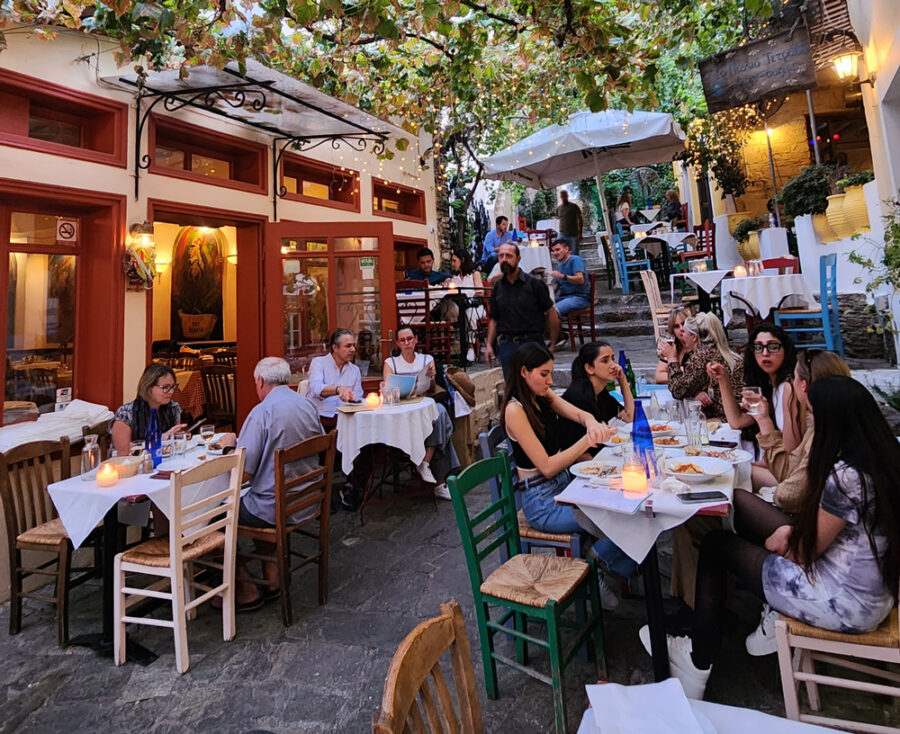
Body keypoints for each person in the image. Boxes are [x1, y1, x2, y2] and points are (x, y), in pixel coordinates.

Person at [641, 377, 900, 699]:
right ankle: (725, 613)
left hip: (842, 600)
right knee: (741, 504)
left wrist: (781, 542)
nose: (813, 425)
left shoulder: (846, 477)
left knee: (716, 546)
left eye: (814, 416)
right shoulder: (880, 458)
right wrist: (787, 531)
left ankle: (698, 657)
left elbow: (805, 552)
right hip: (870, 585)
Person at [736, 349, 851, 655]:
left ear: (803, 386)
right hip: (819, 531)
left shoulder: (826, 428)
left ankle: (774, 605)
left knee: (733, 511)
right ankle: (765, 601)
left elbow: (790, 492)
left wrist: (773, 492)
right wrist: (763, 419)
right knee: (737, 502)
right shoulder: (821, 419)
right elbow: (789, 469)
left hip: (827, 556)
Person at [501, 344, 619, 606]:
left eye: (551, 373)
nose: (550, 381)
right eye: (544, 374)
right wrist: (586, 441)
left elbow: (577, 412)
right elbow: (547, 466)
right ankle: (592, 564)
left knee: (623, 500)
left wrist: (590, 421)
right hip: (542, 503)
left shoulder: (543, 396)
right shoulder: (514, 410)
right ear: (524, 372)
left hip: (564, 487)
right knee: (619, 516)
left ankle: (594, 561)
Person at [223, 357, 325, 610]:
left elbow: (243, 473)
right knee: (261, 492)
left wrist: (227, 447)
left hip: (275, 507)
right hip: (307, 500)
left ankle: (243, 586)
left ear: (260, 381)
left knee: (209, 514)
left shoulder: (262, 412)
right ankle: (272, 575)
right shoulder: (307, 405)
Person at [708, 322, 801, 465]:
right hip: (776, 462)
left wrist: (748, 466)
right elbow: (736, 422)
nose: (765, 353)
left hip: (789, 467)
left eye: (773, 347)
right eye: (758, 347)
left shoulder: (788, 387)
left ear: (786, 350)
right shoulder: (770, 387)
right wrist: (723, 379)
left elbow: (792, 453)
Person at [383, 326, 459, 499]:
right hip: (402, 409)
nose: (407, 343)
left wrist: (431, 377)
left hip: (424, 404)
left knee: (439, 413)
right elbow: (388, 388)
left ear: (416, 339)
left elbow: (431, 389)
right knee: (440, 423)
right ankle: (439, 481)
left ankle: (425, 461)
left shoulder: (426, 359)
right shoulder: (391, 363)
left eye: (410, 339)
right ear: (397, 343)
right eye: (402, 340)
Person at [307, 329, 365, 509]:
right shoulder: (319, 363)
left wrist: (354, 399)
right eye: (348, 346)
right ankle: (321, 494)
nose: (353, 349)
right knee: (326, 442)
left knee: (366, 441)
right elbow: (317, 389)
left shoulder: (354, 370)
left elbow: (358, 398)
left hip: (344, 418)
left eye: (353, 345)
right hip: (320, 417)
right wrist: (338, 389)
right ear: (334, 348)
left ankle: (353, 486)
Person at [485, 242, 560, 378]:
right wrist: (489, 344)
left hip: (532, 343)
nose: (504, 259)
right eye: (501, 256)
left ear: (518, 259)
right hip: (507, 345)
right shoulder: (498, 287)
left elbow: (551, 312)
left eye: (508, 256)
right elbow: (494, 318)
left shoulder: (534, 284)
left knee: (535, 388)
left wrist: (553, 344)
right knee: (512, 389)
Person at [559, 341, 635, 455]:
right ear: (589, 368)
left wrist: (623, 380)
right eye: (605, 361)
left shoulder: (600, 392)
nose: (614, 365)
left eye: (612, 359)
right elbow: (578, 453)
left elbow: (630, 417)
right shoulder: (579, 397)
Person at [667, 312, 743, 421]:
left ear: (693, 337)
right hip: (740, 416)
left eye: (684, 332)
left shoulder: (700, 357)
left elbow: (677, 390)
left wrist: (672, 359)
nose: (682, 335)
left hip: (723, 420)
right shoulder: (726, 353)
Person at [112, 363, 186, 456]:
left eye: (173, 387)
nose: (171, 392)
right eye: (165, 387)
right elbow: (123, 455)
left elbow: (176, 446)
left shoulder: (173, 408)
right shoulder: (126, 414)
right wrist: (160, 440)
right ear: (148, 387)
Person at [451, 249, 486, 364]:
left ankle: (470, 346)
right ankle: (460, 346)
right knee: (459, 312)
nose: (452, 264)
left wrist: (469, 295)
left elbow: (480, 291)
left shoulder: (474, 274)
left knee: (469, 313)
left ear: (462, 260)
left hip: (476, 306)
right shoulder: (454, 277)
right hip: (461, 307)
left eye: (454, 261)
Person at [549, 239, 591, 329]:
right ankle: (558, 334)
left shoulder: (575, 260)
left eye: (557, 250)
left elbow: (580, 280)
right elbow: (556, 285)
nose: (555, 253)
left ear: (566, 249)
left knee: (552, 311)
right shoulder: (560, 265)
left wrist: (562, 276)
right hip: (564, 297)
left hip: (579, 297)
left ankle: (556, 338)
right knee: (541, 307)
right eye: (553, 251)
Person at [654, 306, 693, 385]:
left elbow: (693, 374)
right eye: (676, 326)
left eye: (683, 323)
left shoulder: (695, 346)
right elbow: (658, 376)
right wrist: (680, 372)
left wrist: (674, 372)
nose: (681, 328)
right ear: (673, 331)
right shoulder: (673, 345)